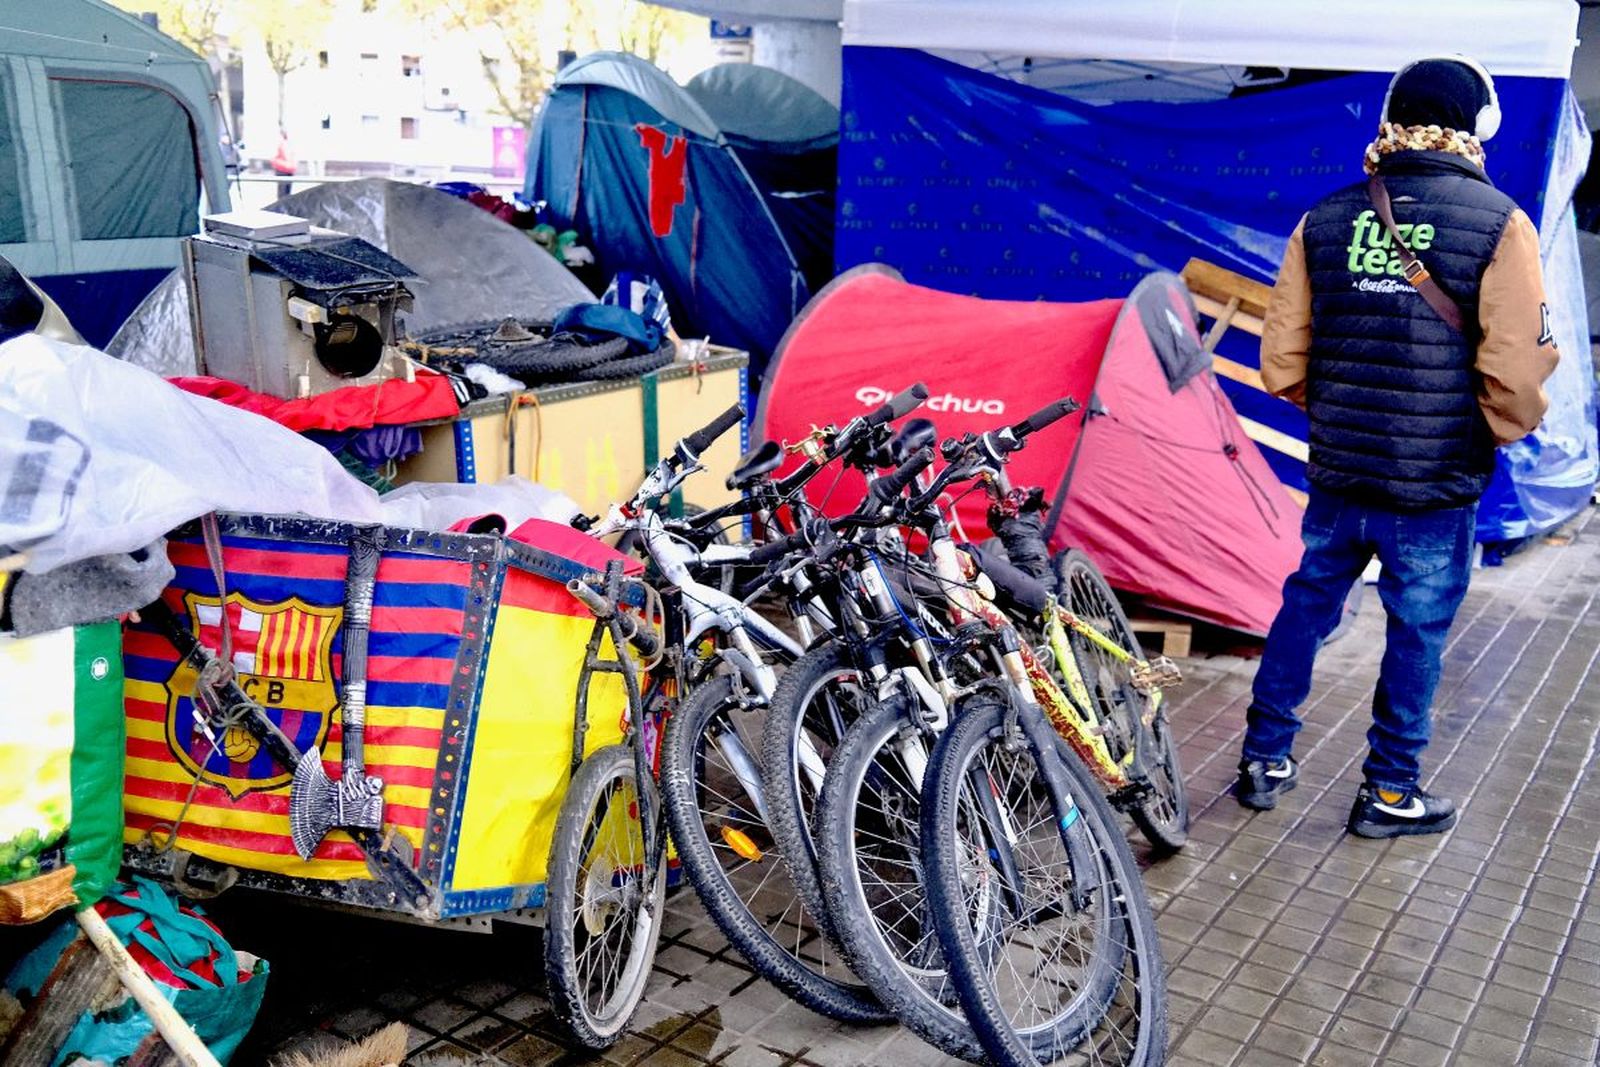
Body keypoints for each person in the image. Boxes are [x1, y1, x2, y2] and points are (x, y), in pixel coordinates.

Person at [1235, 56, 1560, 838]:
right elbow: (1517, 371)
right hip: (1434, 481)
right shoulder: (1501, 223)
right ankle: (1388, 792)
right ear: (1477, 126)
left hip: (1341, 470)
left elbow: (1281, 361)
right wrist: (1478, 428)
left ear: (1391, 120)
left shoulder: (1326, 217)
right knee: (1416, 629)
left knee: (1307, 603)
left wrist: (1344, 414)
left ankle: (1263, 759)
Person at [271, 128, 297, 200]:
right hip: (284, 169)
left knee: (285, 192)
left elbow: (291, 156)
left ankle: (285, 203)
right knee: (284, 192)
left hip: (287, 169)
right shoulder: (283, 144)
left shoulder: (286, 144)